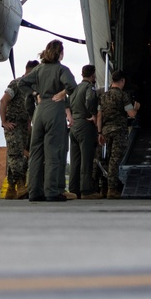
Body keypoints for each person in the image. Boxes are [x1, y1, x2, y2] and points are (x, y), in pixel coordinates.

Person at [27, 40, 77, 202]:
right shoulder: (61, 69)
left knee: (36, 154)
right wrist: (63, 93)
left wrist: (36, 94)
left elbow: (22, 83)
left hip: (39, 112)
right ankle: (51, 191)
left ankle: (34, 192)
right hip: (54, 111)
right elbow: (72, 85)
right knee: (53, 152)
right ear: (60, 53)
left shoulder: (39, 69)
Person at [0, 58, 39, 199]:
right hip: (13, 124)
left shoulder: (31, 88)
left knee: (16, 155)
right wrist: (4, 122)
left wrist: (29, 122)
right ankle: (20, 184)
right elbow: (3, 101)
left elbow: (29, 106)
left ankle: (11, 187)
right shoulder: (16, 84)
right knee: (16, 155)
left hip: (23, 125)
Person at [97, 70, 139, 199]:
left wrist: (99, 132)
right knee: (116, 160)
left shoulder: (103, 96)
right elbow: (131, 114)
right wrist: (136, 107)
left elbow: (99, 115)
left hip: (105, 131)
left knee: (107, 158)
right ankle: (112, 189)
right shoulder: (123, 96)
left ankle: (102, 188)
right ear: (122, 81)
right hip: (119, 131)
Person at [68, 64, 101, 199]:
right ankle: (86, 190)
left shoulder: (75, 89)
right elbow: (90, 99)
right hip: (85, 125)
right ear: (93, 75)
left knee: (75, 161)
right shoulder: (89, 87)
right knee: (86, 159)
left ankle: (74, 190)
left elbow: (68, 103)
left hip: (74, 125)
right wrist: (92, 113)